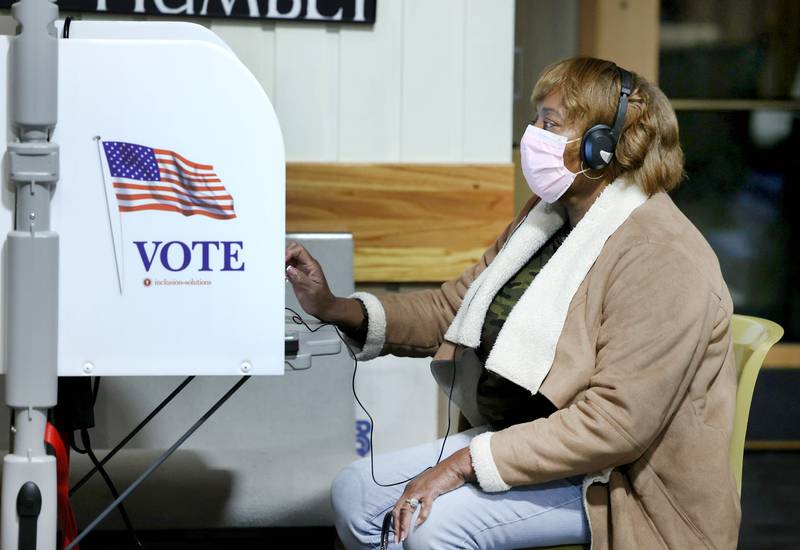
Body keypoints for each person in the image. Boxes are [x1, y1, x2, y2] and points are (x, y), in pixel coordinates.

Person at [285, 57, 740, 549]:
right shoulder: (548, 218)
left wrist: (462, 464)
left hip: (620, 482)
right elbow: (449, 312)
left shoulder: (661, 255)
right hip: (532, 443)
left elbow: (615, 424)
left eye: (551, 123)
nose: (533, 135)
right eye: (535, 120)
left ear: (603, 147)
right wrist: (333, 306)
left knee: (432, 525)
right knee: (356, 492)